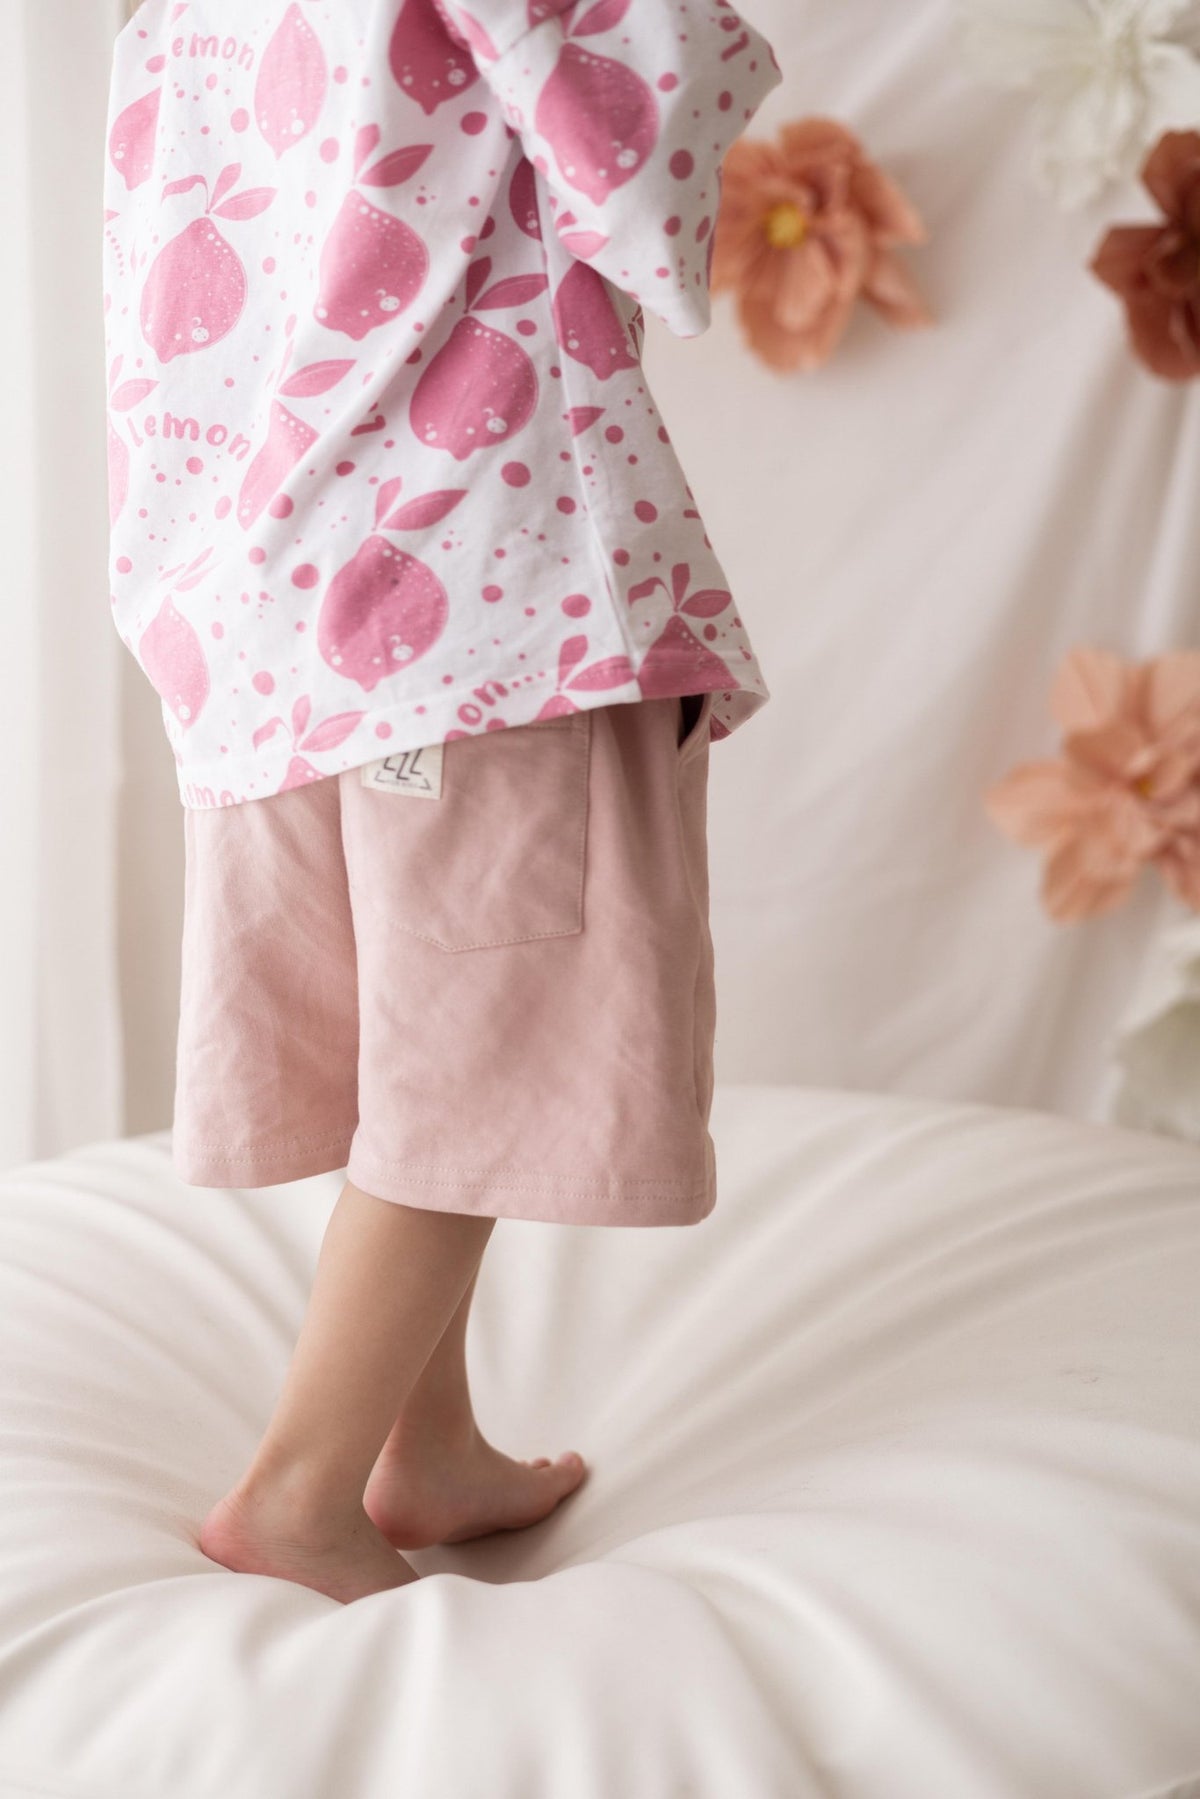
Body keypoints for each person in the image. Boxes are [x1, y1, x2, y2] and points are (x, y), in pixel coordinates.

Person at [104, 0, 782, 1603]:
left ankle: (435, 1449)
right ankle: (300, 1491)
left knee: (396, 1044)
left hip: (264, 596)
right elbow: (640, 163)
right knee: (483, 1052)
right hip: (476, 582)